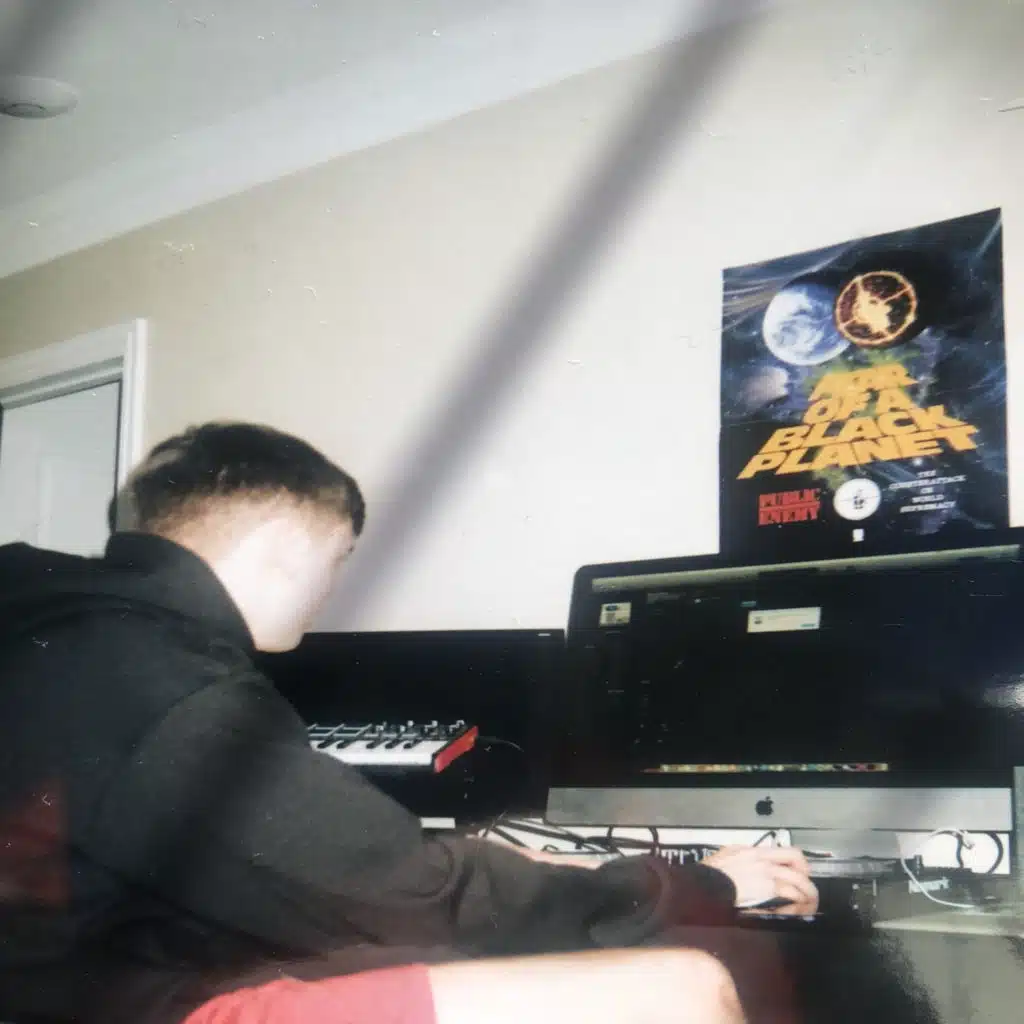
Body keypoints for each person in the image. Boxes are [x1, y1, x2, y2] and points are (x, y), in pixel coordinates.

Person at [0, 422, 817, 1024]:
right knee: (689, 982)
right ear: (286, 546)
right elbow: (421, 897)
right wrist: (706, 883)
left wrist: (486, 867)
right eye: (337, 561)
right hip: (135, 1010)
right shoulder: (170, 683)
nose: (329, 593)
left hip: (71, 981)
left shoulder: (55, 627)